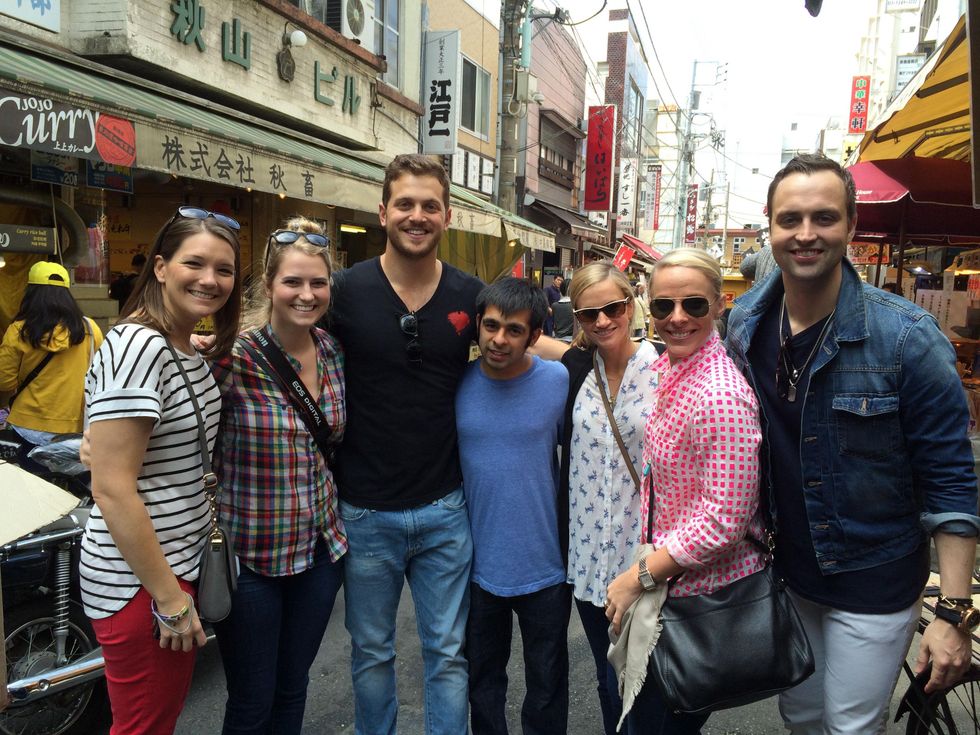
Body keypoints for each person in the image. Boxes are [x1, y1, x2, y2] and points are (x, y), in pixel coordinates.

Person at [727, 153, 980, 734]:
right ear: (770, 226)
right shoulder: (745, 324)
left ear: (851, 224)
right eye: (791, 219)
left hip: (874, 578)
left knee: (850, 727)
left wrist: (954, 613)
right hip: (786, 574)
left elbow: (951, 480)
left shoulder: (907, 339)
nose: (806, 234)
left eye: (824, 217)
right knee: (802, 717)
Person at [327, 153, 484, 735]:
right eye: (405, 204)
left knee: (447, 653)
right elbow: (279, 337)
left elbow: (519, 344)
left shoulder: (471, 295)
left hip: (446, 508)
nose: (417, 216)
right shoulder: (342, 291)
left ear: (448, 215)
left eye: (429, 206)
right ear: (383, 211)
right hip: (364, 510)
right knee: (371, 653)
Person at [81, 207, 242, 735]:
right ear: (159, 268)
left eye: (224, 270)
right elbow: (111, 487)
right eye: (194, 263)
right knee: (144, 725)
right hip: (143, 585)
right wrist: (170, 600)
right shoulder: (139, 346)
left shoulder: (177, 346)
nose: (210, 279)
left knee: (155, 719)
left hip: (166, 572)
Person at [605, 248, 764, 734]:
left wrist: (639, 577)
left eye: (693, 305)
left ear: (719, 305)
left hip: (699, 599)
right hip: (672, 587)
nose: (676, 318)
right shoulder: (675, 369)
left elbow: (722, 522)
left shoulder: (718, 392)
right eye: (662, 306)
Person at [210, 217, 346, 735]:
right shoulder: (232, 356)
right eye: (292, 282)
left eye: (317, 282)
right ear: (268, 286)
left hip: (319, 552)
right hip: (251, 561)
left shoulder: (333, 353)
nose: (306, 294)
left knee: (294, 688)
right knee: (250, 700)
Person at [456, 277, 571, 735]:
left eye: (514, 330)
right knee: (483, 682)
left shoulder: (557, 381)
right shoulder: (458, 385)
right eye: (491, 326)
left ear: (534, 336)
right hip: (476, 566)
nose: (499, 339)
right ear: (478, 326)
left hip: (546, 564)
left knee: (546, 683)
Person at [559, 261, 660, 735]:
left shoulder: (665, 367)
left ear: (631, 301)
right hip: (586, 556)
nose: (602, 321)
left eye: (612, 307)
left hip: (644, 561)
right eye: (588, 313)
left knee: (649, 680)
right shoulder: (576, 367)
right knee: (606, 677)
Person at [0, 261, 103, 450]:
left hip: (26, 425)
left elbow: (4, 381)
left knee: (28, 479)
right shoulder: (90, 329)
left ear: (30, 293)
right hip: (75, 428)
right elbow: (101, 376)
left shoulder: (19, 331)